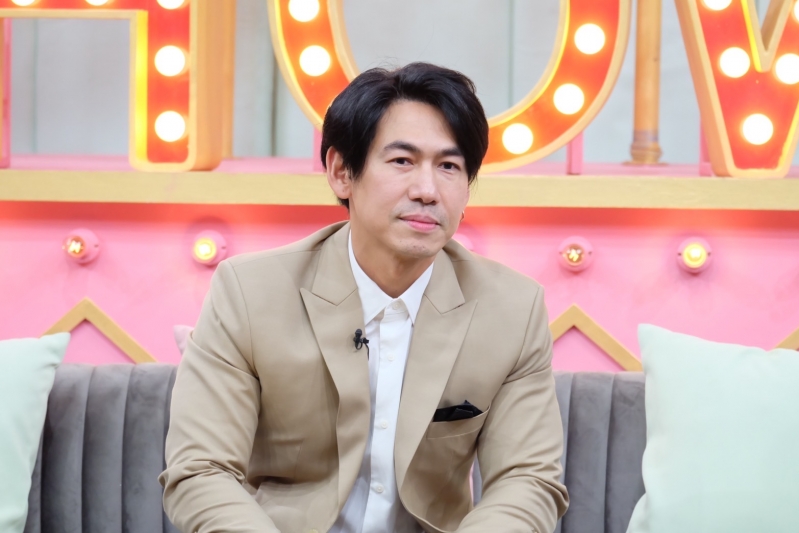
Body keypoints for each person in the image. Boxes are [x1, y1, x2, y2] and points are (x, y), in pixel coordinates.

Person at [159, 62, 569, 533]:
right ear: (341, 172)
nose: (427, 191)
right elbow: (201, 470)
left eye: (449, 167)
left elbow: (527, 480)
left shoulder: (512, 310)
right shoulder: (250, 293)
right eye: (402, 161)